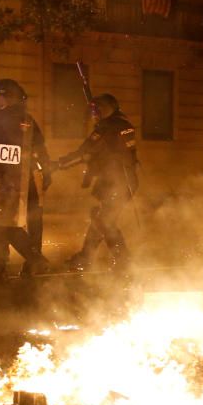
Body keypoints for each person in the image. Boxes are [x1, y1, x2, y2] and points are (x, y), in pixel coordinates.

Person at [0, 79, 52, 280]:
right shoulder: (26, 118)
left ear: (7, 97)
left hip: (8, 181)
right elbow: (40, 149)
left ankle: (28, 262)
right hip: (24, 179)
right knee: (1, 223)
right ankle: (4, 266)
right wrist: (46, 174)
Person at [58, 93, 139, 274]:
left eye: (98, 109)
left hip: (117, 182)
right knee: (100, 219)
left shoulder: (109, 127)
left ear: (108, 108)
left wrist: (58, 164)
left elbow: (85, 151)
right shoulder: (122, 124)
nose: (94, 113)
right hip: (118, 181)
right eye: (93, 109)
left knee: (105, 220)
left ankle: (122, 259)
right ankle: (86, 257)